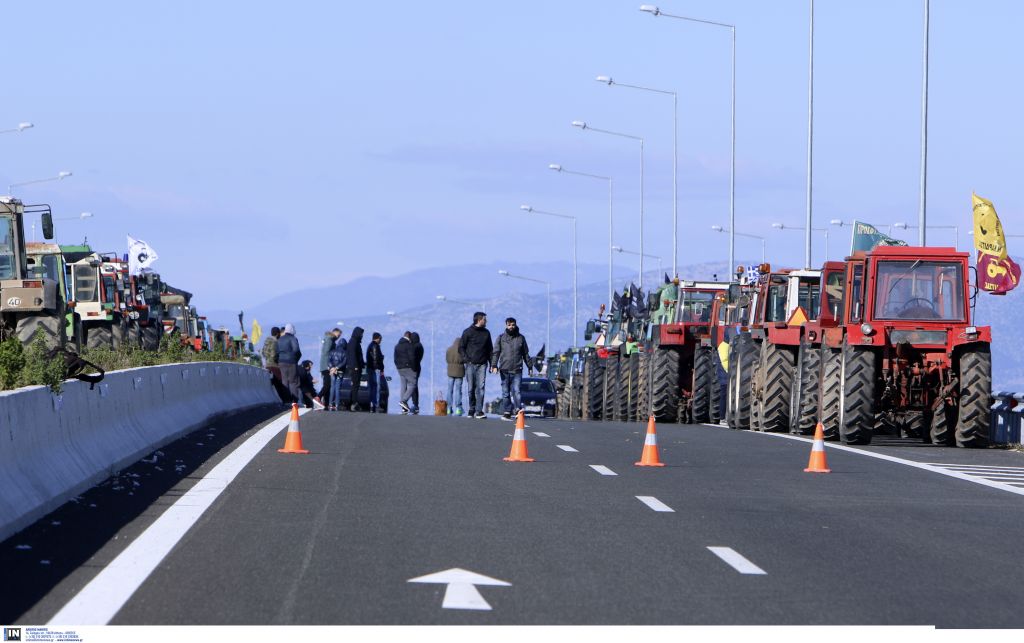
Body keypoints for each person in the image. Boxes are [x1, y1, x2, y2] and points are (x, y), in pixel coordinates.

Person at [491, 317, 533, 420]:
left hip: (517, 369)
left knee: (517, 391)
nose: (511, 327)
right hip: (504, 370)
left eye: (513, 325)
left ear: (515, 325)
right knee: (505, 392)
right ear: (506, 325)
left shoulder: (521, 338)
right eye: (509, 325)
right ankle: (507, 411)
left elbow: (525, 354)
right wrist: (494, 365)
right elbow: (496, 353)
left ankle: (518, 410)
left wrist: (530, 366)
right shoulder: (501, 338)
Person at [459, 312, 492, 419]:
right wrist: (466, 359)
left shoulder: (486, 333)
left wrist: (492, 364)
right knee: (471, 388)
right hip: (470, 364)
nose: (486, 321)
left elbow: (490, 350)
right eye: (484, 319)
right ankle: (471, 408)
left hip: (482, 364)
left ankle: (479, 411)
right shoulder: (467, 332)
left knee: (481, 388)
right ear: (479, 320)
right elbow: (461, 347)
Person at [262, 326, 289, 403]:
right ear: (277, 333)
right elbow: (274, 354)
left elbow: (263, 352)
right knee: (282, 382)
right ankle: (286, 400)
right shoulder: (275, 342)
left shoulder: (266, 341)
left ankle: (282, 399)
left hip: (267, 365)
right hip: (275, 365)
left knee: (275, 382)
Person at [277, 323, 302, 404]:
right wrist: (294, 359)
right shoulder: (293, 338)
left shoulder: (280, 339)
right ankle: (294, 400)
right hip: (291, 362)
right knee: (293, 381)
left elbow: (276, 351)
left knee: (284, 381)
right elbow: (296, 350)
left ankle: (286, 400)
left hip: (281, 362)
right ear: (292, 330)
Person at [393, 331, 418, 414]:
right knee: (413, 383)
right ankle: (403, 401)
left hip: (400, 368)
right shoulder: (409, 346)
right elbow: (412, 357)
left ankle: (404, 407)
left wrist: (398, 366)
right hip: (408, 367)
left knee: (403, 385)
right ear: (409, 337)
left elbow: (395, 358)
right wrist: (414, 368)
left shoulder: (397, 346)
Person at [344, 326, 365, 411]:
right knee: (355, 385)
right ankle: (354, 402)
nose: (362, 335)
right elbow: (352, 355)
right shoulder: (353, 342)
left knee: (356, 385)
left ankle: (354, 402)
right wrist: (355, 366)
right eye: (361, 334)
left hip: (357, 366)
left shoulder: (355, 342)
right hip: (355, 367)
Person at [328, 330, 349, 411]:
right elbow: (344, 362)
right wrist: (337, 368)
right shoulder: (345, 353)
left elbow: (329, 361)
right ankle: (337, 403)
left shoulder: (332, 351)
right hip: (340, 371)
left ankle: (330, 403)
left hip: (332, 371)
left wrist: (332, 368)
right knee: (337, 387)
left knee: (332, 387)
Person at [365, 331, 386, 413]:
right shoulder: (375, 346)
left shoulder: (370, 345)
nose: (381, 341)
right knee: (377, 387)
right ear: (378, 338)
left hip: (370, 369)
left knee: (372, 387)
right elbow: (375, 358)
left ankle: (372, 404)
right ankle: (376, 404)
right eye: (380, 339)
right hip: (375, 369)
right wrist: (380, 368)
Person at [319, 328, 341, 401]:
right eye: (338, 335)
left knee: (328, 385)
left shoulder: (330, 339)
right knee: (327, 384)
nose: (338, 337)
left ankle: (326, 403)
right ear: (334, 332)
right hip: (326, 366)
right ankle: (318, 397)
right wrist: (330, 365)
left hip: (326, 365)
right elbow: (327, 352)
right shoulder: (329, 339)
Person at [445, 337, 465, 416]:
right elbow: (464, 359)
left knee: (449, 390)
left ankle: (448, 408)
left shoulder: (449, 349)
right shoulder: (462, 350)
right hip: (459, 371)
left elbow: (447, 359)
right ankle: (458, 408)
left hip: (450, 371)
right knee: (458, 390)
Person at [410, 331, 424, 410]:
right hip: (418, 367)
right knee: (415, 385)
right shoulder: (420, 346)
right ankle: (415, 403)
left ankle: (415, 403)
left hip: (413, 368)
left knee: (413, 386)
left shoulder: (415, 346)